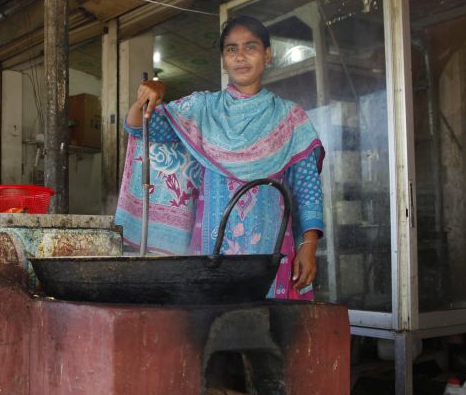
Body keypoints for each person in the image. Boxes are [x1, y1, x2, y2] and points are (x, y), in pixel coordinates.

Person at [115, 15, 324, 299]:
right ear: (224, 61)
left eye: (250, 47)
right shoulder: (202, 109)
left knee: (269, 331)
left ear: (267, 55)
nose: (240, 56)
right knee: (213, 327)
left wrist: (309, 246)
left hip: (273, 253)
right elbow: (140, 128)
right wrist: (149, 95)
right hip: (210, 254)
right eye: (231, 49)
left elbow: (307, 188)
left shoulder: (290, 118)